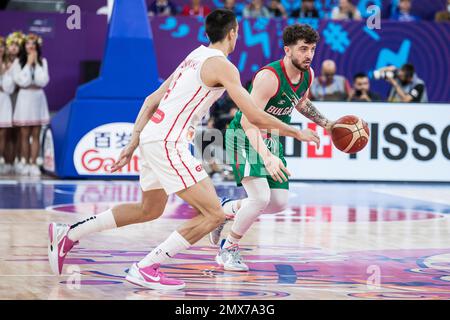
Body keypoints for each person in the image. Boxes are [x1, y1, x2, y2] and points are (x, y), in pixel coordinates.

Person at [47, 9, 320, 291]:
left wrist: (134, 141)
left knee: (148, 209)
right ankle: (147, 266)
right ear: (233, 33)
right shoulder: (224, 66)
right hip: (169, 141)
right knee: (213, 214)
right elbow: (253, 114)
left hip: (153, 136)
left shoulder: (193, 56)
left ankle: (69, 232)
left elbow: (152, 99)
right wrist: (295, 131)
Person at [208, 23, 335, 271]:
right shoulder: (269, 77)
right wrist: (266, 157)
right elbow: (248, 120)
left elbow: (301, 103)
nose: (308, 54)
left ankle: (225, 210)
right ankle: (228, 248)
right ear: (287, 50)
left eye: (312, 49)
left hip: (270, 137)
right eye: (302, 49)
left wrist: (326, 123)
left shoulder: (307, 74)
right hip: (244, 135)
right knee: (260, 197)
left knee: (278, 202)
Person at [11, 33, 49, 177]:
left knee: (36, 133)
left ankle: (34, 164)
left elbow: (43, 81)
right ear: (24, 46)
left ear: (37, 46)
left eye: (33, 44)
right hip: (25, 97)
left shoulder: (43, 62)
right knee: (24, 134)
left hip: (38, 97)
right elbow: (21, 81)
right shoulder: (18, 63)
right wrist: (28, 64)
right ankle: (25, 162)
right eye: (28, 44)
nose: (30, 46)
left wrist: (35, 64)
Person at [4, 31, 24, 175]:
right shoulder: (3, 61)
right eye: (11, 45)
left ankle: (16, 161)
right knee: (5, 132)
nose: (14, 48)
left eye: (17, 45)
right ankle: (5, 161)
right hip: (4, 98)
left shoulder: (22, 62)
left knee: (17, 132)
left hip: (18, 98)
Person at [0, 36, 15, 175]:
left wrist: (4, 73)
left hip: (4, 101)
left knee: (3, 134)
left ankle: (2, 161)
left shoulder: (9, 66)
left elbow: (8, 88)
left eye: (2, 46)